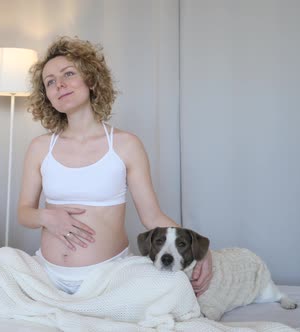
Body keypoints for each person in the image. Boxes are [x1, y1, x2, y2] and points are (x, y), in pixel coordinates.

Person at [18, 36, 212, 296]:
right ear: (47, 96)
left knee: (175, 293)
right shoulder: (40, 147)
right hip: (47, 276)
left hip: (110, 277)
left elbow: (152, 217)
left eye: (68, 74)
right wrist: (46, 216)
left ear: (90, 79)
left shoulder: (125, 144)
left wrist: (204, 250)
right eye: (50, 82)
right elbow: (24, 212)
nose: (59, 84)